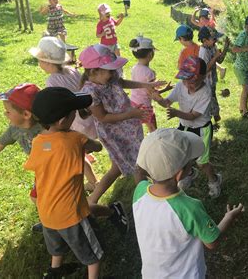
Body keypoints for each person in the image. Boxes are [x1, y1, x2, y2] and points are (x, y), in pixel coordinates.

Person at [25, 87, 127, 279]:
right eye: (73, 113)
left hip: (46, 211)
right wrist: (80, 138)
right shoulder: (75, 139)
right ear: (63, 120)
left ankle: (55, 271)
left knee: (57, 246)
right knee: (93, 255)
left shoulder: (38, 141)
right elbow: (96, 146)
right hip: (71, 214)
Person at [133, 128, 244, 278]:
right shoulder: (189, 208)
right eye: (190, 162)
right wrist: (229, 217)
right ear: (180, 173)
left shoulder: (139, 193)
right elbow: (212, 242)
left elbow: (138, 175)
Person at [79, 44, 166, 204]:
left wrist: (148, 85)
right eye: (110, 70)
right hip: (116, 133)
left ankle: (92, 201)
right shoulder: (90, 91)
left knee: (119, 167)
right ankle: (149, 199)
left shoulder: (109, 78)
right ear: (93, 71)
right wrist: (132, 113)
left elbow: (122, 82)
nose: (113, 73)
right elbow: (103, 117)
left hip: (128, 127)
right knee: (137, 163)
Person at [29, 36, 99, 192]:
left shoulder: (52, 81)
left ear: (47, 62)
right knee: (81, 150)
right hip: (87, 118)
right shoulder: (73, 71)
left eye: (39, 60)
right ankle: (90, 169)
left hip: (73, 122)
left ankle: (93, 182)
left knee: (77, 153)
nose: (39, 64)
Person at [152, 56, 222, 198]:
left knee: (202, 163)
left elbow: (193, 116)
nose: (188, 84)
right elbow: (167, 102)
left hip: (202, 129)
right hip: (184, 127)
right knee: (181, 156)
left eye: (193, 81)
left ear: (203, 77)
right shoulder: (181, 85)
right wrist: (158, 98)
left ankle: (214, 180)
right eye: (185, 79)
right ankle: (189, 173)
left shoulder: (206, 93)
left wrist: (176, 112)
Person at [198, 26, 230, 129]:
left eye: (216, 38)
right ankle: (211, 121)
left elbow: (219, 61)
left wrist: (225, 48)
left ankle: (215, 119)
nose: (215, 40)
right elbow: (205, 69)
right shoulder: (203, 52)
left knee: (212, 99)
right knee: (209, 102)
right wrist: (215, 56)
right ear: (205, 40)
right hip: (205, 83)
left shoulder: (213, 47)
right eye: (213, 39)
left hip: (212, 81)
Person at [129, 36, 159, 133]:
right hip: (145, 106)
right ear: (150, 54)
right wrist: (164, 90)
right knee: (153, 130)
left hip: (133, 103)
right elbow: (151, 93)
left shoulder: (134, 68)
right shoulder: (149, 73)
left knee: (135, 130)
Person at [190, 7, 227, 79]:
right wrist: (195, 12)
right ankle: (220, 69)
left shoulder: (207, 24)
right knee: (207, 59)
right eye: (202, 18)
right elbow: (193, 20)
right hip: (208, 43)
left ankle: (220, 69)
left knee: (209, 60)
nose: (203, 20)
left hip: (210, 44)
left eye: (205, 18)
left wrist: (211, 14)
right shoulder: (203, 24)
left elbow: (193, 20)